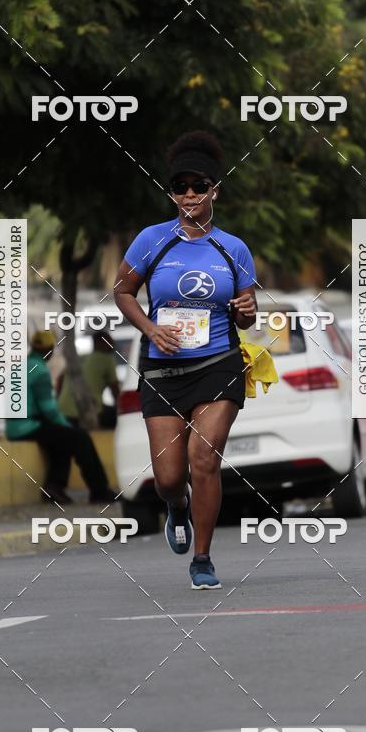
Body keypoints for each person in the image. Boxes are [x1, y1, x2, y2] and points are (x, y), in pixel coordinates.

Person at [114, 130, 257, 590]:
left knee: (204, 458)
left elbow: (248, 312)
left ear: (216, 189)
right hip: (163, 369)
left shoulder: (232, 248)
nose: (190, 195)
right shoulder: (152, 241)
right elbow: (122, 292)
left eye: (200, 186)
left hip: (218, 364)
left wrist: (247, 311)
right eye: (181, 187)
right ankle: (177, 507)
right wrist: (151, 328)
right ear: (171, 192)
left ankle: (203, 557)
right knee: (169, 476)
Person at [5, 330, 117, 505]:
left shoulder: (23, 365)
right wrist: (66, 425)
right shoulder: (40, 370)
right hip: (28, 425)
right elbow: (49, 408)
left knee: (63, 440)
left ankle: (54, 487)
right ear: (49, 350)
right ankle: (99, 490)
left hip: (15, 426)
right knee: (80, 438)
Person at [57, 332, 120, 429]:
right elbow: (115, 390)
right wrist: (120, 408)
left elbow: (60, 379)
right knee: (117, 417)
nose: (112, 345)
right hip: (86, 411)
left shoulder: (79, 358)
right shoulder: (107, 359)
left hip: (63, 410)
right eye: (109, 342)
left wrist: (59, 399)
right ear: (99, 342)